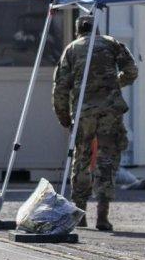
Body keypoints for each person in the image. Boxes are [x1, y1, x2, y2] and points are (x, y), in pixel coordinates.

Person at [52, 13, 138, 231]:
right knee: (107, 159)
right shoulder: (112, 44)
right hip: (110, 111)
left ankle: (80, 213)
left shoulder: (72, 49)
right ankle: (103, 214)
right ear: (97, 29)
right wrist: (115, 84)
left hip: (84, 111)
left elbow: (61, 86)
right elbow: (132, 70)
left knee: (81, 159)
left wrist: (63, 116)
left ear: (78, 29)